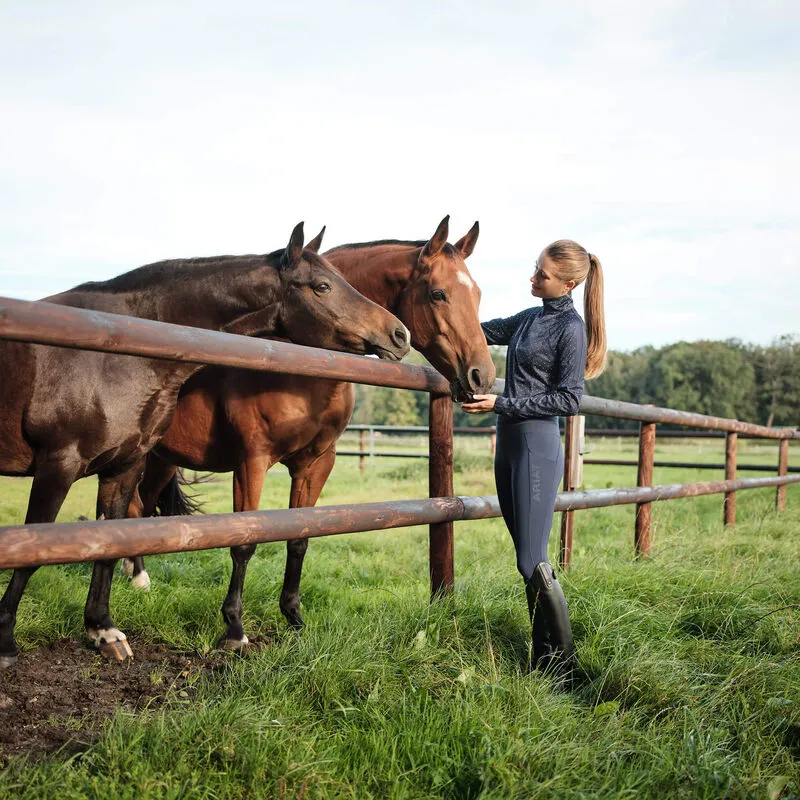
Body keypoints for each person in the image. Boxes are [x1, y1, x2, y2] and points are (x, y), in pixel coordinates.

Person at [462, 240, 606, 676]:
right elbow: (479, 331)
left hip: (536, 445)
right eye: (535, 269)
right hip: (509, 444)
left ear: (569, 283)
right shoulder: (530, 318)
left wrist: (500, 403)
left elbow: (569, 398)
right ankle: (544, 661)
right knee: (527, 559)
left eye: (542, 274)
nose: (533, 278)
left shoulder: (570, 329)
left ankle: (564, 666)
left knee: (531, 560)